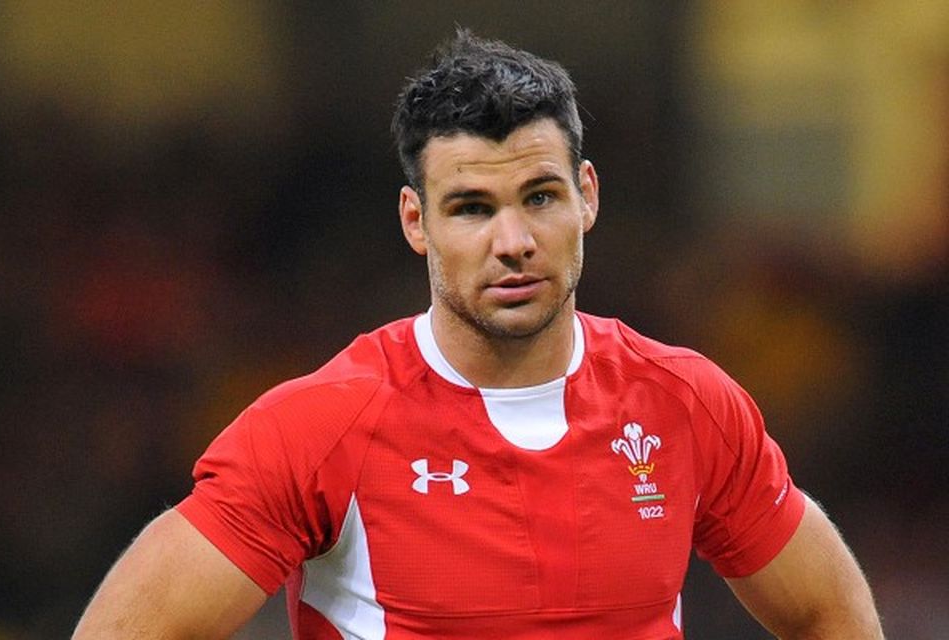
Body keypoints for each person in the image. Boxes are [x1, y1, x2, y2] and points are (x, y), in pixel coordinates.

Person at [72, 31, 885, 639]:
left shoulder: (686, 404)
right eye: (472, 208)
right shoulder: (321, 428)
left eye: (540, 197)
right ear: (415, 220)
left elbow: (824, 612)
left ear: (587, 198)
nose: (514, 241)